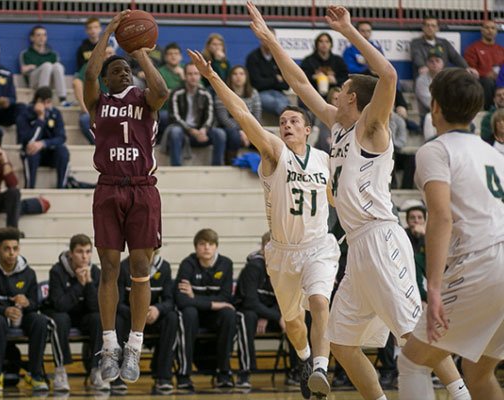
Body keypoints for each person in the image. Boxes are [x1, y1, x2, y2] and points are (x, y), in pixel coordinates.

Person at [246, 4, 466, 399]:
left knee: (413, 333)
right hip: (356, 246)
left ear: (354, 99)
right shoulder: (338, 125)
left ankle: (460, 392)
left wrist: (348, 30)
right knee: (342, 343)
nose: (336, 91)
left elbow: (390, 74)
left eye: (342, 89)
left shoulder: (372, 127)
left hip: (381, 238)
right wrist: (271, 42)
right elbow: (300, 85)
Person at [191, 42, 341, 398]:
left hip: (318, 246)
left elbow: (338, 200)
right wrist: (213, 77)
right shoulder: (275, 153)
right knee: (292, 321)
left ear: (308, 130)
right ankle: (306, 360)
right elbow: (243, 114)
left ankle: (321, 370)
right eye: (283, 121)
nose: (286, 125)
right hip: (282, 252)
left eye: (294, 122)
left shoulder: (325, 160)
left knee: (320, 302)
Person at [398, 68, 504, 400]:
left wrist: (434, 289)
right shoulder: (494, 153)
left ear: (435, 106)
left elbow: (441, 217)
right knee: (478, 371)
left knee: (413, 361)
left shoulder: (436, 150)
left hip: (482, 262)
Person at [84, 9, 169, 385]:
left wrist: (139, 53)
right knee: (108, 267)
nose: (125, 74)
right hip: (108, 187)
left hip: (142, 189)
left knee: (139, 267)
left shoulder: (145, 99)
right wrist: (110, 33)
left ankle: (134, 344)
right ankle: (109, 344)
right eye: (117, 71)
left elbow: (163, 91)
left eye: (127, 71)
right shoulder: (97, 101)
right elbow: (89, 72)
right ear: (106, 78)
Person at [0, 227, 62, 392]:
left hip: (22, 317)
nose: (11, 253)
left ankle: (35, 374)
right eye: (7, 249)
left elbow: (35, 304)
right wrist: (4, 310)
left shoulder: (28, 273)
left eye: (15, 248)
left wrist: (27, 302)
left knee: (39, 321)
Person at [42, 234, 109, 391]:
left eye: (88, 251)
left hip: (84, 315)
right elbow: (59, 305)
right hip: (63, 314)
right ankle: (60, 370)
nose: (84, 256)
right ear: (71, 254)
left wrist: (89, 284)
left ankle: (96, 370)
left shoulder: (95, 272)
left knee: (99, 318)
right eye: (80, 251)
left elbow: (95, 306)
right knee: (60, 319)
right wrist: (79, 285)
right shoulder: (57, 271)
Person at [174, 228, 236, 389]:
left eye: (211, 244)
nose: (206, 247)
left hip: (215, 317)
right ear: (196, 247)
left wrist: (194, 297)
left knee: (229, 314)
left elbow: (226, 298)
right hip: (193, 315)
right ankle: (184, 374)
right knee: (188, 313)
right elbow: (181, 300)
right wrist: (208, 302)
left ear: (216, 247)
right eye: (202, 244)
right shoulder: (188, 264)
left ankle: (224, 373)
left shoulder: (226, 264)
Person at [117, 251, 179, 395]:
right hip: (129, 318)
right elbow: (117, 303)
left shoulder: (164, 268)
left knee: (172, 318)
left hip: (153, 318)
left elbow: (169, 300)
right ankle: (118, 377)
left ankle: (163, 376)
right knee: (116, 320)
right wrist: (138, 313)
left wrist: (158, 309)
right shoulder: (123, 268)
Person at [233, 231, 286, 389]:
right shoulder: (254, 267)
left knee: (294, 318)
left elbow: (285, 298)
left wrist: (272, 316)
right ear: (264, 249)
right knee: (247, 317)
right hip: (249, 312)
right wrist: (275, 316)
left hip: (269, 315)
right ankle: (244, 372)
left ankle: (297, 371)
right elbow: (250, 302)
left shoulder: (284, 268)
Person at [165, 63, 226, 166]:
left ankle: (217, 167)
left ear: (200, 76)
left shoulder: (205, 94)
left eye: (196, 74)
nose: (193, 77)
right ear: (184, 76)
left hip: (201, 132)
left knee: (220, 133)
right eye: (190, 74)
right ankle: (176, 167)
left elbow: (210, 116)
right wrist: (191, 130)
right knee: (175, 131)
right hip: (184, 131)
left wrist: (204, 129)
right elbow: (175, 117)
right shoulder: (176, 93)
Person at [16, 86, 70, 189]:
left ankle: (62, 187)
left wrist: (43, 143)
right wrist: (40, 119)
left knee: (63, 151)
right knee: (31, 151)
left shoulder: (55, 113)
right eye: (42, 102)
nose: (45, 105)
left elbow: (61, 137)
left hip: (49, 152)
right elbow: (27, 140)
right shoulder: (24, 114)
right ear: (36, 101)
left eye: (48, 102)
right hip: (32, 152)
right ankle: (30, 188)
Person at [214, 65, 261, 164]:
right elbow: (223, 118)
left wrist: (248, 132)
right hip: (229, 128)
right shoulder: (221, 93)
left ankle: (266, 165)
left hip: (249, 127)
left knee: (269, 136)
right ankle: (231, 163)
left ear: (246, 77)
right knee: (234, 136)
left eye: (241, 74)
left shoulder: (254, 93)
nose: (238, 77)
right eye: (235, 74)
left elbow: (256, 116)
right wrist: (241, 131)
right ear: (230, 77)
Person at [410, 16, 475, 80]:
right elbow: (417, 57)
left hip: (442, 78)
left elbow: (455, 57)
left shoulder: (444, 43)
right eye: (427, 25)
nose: (430, 28)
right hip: (425, 78)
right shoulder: (416, 43)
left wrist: (466, 67)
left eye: (433, 26)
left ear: (437, 28)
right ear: (423, 28)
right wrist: (422, 66)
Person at [245, 27, 290, 116]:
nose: (269, 41)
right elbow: (257, 83)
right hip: (260, 94)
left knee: (289, 105)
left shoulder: (280, 58)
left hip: (279, 93)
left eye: (272, 38)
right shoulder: (253, 57)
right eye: (267, 37)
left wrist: (268, 80)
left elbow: (286, 85)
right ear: (261, 39)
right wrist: (276, 79)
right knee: (279, 105)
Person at [20, 26, 68, 104]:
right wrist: (32, 67)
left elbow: (58, 71)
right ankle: (42, 97)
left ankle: (63, 99)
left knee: (58, 66)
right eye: (38, 35)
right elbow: (23, 70)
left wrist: (34, 66)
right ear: (32, 38)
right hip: (34, 81)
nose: (42, 38)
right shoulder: (26, 53)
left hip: (50, 81)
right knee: (47, 65)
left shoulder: (53, 54)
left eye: (44, 35)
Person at [464, 20, 504, 110]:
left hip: (500, 80)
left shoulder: (501, 49)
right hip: (482, 81)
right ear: (482, 30)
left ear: (496, 32)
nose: (490, 30)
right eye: (487, 28)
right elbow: (471, 69)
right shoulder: (473, 48)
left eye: (493, 28)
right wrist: (486, 74)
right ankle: (489, 110)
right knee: (488, 82)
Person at [300, 32, 348, 97]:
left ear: (331, 44)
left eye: (327, 42)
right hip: (314, 93)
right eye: (321, 41)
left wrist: (336, 80)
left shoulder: (338, 60)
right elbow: (301, 76)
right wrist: (313, 77)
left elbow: (345, 77)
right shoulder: (308, 60)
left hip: (334, 94)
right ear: (316, 44)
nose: (324, 44)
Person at [157, 42, 185, 136]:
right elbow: (160, 93)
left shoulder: (188, 69)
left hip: (187, 108)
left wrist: (183, 77)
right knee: (163, 116)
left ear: (181, 56)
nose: (173, 56)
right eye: (170, 54)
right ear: (165, 57)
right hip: (167, 109)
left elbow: (199, 88)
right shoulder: (160, 72)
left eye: (176, 54)